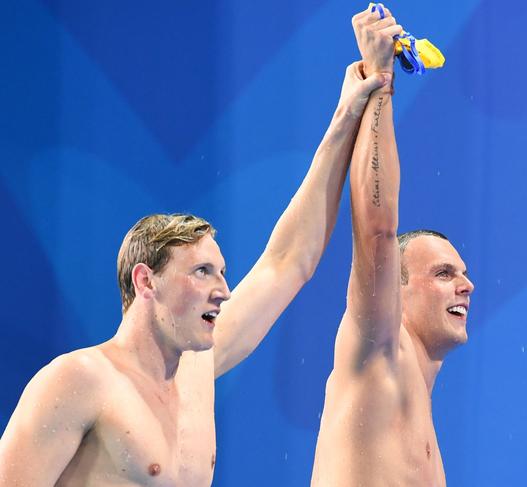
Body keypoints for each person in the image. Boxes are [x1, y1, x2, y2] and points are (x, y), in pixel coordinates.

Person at [0, 59, 390, 484]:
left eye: (222, 272)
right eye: (202, 271)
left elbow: (290, 259)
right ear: (146, 280)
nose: (223, 290)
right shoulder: (79, 380)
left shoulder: (197, 372)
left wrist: (347, 113)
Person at [311, 7, 475, 487]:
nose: (466, 285)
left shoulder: (417, 404)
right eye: (444, 274)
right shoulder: (379, 349)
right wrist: (381, 81)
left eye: (462, 273)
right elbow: (377, 230)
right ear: (395, 291)